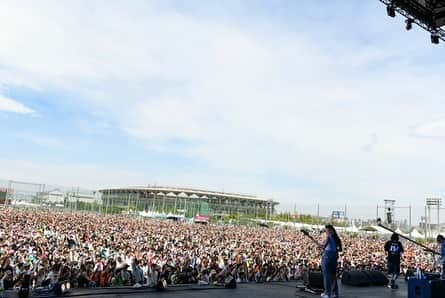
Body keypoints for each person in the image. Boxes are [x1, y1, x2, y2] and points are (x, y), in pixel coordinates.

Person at [319, 224, 342, 298]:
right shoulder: (336, 238)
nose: (326, 232)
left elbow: (323, 246)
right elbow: (339, 249)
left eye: (326, 230)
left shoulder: (329, 237)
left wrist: (318, 243)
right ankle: (335, 293)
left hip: (327, 256)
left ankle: (327, 293)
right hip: (334, 256)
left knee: (326, 275)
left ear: (330, 230)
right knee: (333, 276)